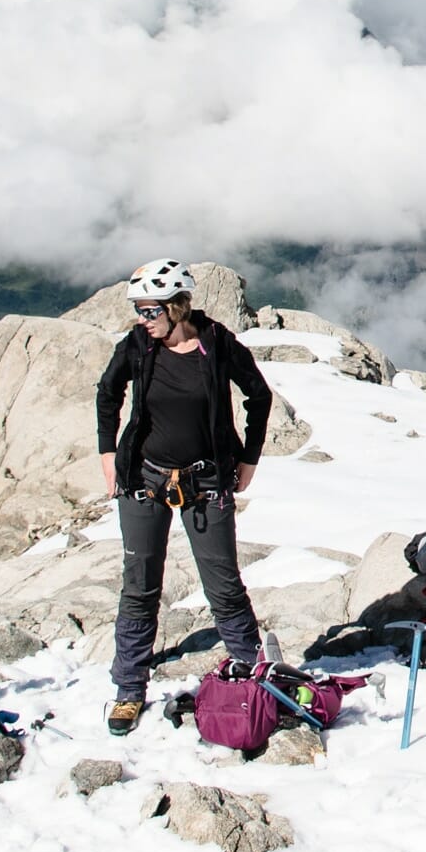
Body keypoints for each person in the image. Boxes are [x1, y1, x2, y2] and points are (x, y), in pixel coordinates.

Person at [93, 260, 275, 736]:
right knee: (139, 586)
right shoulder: (137, 346)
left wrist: (248, 458)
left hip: (207, 479)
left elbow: (259, 394)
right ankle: (129, 689)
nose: (142, 319)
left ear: (177, 307)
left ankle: (256, 676)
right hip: (144, 478)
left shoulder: (215, 343)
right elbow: (107, 393)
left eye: (150, 310)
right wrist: (107, 454)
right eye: (138, 309)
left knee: (224, 586)